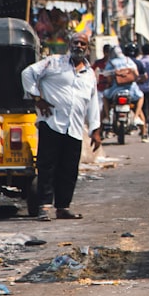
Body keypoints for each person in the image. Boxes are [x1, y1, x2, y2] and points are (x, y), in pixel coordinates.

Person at [20, 31, 101, 221]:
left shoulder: (89, 73)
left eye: (82, 43)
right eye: (76, 42)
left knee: (69, 169)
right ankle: (44, 207)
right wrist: (37, 99)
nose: (79, 46)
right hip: (52, 124)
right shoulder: (54, 62)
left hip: (74, 128)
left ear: (87, 48)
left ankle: (63, 207)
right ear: (69, 44)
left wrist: (95, 129)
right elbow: (28, 73)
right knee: (47, 167)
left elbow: (93, 102)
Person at [102, 45, 145, 129]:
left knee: (105, 97)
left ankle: (107, 117)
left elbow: (109, 79)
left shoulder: (110, 62)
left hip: (114, 90)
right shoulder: (129, 60)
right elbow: (136, 75)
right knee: (141, 97)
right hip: (131, 90)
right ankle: (136, 117)